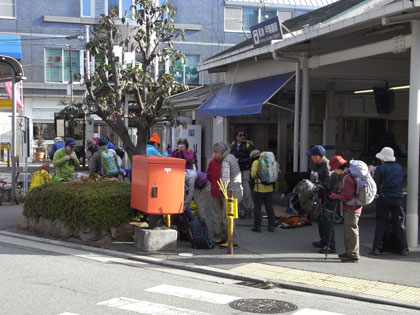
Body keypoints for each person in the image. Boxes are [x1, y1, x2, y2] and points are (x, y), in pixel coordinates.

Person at [370, 147, 409, 256]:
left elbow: (376, 183)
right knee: (399, 223)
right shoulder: (399, 168)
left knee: (381, 223)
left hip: (384, 198)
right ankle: (404, 248)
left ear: (383, 159)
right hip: (397, 198)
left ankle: (376, 248)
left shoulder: (381, 169)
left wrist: (373, 173)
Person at [329, 155, 362, 263]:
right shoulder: (348, 175)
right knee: (349, 230)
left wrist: (336, 196)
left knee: (351, 230)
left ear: (339, 167)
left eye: (334, 169)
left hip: (351, 208)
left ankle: (353, 255)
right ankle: (349, 252)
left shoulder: (347, 178)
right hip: (352, 207)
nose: (334, 171)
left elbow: (347, 196)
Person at [213, 142, 243, 248]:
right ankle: (226, 238)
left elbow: (225, 180)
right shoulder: (231, 157)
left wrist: (222, 191)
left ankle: (231, 241)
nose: (214, 156)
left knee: (228, 218)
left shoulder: (225, 162)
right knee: (228, 217)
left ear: (219, 153)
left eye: (214, 153)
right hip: (237, 190)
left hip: (231, 193)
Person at [307, 145, 333, 253]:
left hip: (327, 196)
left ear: (317, 156)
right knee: (320, 218)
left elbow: (328, 184)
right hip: (320, 195)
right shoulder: (317, 164)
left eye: (312, 156)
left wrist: (318, 180)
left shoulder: (327, 165)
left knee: (327, 220)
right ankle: (323, 240)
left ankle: (330, 244)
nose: (310, 158)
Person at [230, 127, 254, 219]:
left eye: (244, 135)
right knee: (237, 190)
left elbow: (252, 158)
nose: (242, 137)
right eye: (240, 135)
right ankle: (240, 210)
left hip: (245, 170)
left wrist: (240, 160)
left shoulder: (249, 144)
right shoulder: (232, 145)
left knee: (246, 190)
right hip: (236, 171)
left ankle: (248, 209)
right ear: (236, 136)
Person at [250, 150, 276, 233]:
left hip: (259, 188)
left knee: (257, 207)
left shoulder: (256, 162)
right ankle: (271, 225)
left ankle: (257, 226)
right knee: (269, 207)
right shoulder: (271, 162)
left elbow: (253, 175)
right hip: (270, 188)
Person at [206, 149, 226, 244]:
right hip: (226, 191)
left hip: (215, 190)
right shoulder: (226, 162)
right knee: (225, 214)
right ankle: (225, 234)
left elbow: (208, 175)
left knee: (216, 213)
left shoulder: (211, 162)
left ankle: (217, 233)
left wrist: (214, 183)